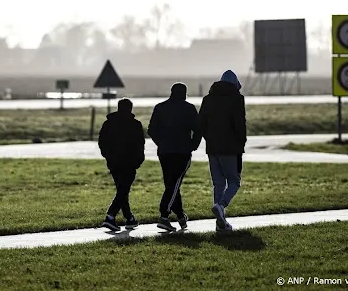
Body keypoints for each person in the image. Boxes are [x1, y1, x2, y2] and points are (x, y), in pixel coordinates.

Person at [147, 82, 201, 232]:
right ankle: (164, 216)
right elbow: (198, 129)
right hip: (182, 152)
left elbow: (151, 130)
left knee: (171, 184)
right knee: (174, 184)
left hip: (164, 152)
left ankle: (181, 217)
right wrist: (192, 145)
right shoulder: (189, 109)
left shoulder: (160, 107)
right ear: (184, 93)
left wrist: (161, 143)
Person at [199, 69, 247, 231]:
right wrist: (241, 142)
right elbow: (240, 124)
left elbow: (201, 124)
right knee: (234, 182)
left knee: (218, 183)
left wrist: (208, 139)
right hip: (231, 147)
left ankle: (220, 222)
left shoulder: (208, 99)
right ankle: (221, 205)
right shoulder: (237, 99)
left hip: (212, 147)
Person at [98, 98, 146, 231]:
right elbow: (140, 144)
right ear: (130, 108)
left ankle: (129, 218)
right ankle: (110, 216)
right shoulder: (135, 124)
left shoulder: (108, 123)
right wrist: (139, 160)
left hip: (113, 162)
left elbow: (102, 141)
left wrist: (107, 156)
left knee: (122, 190)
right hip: (129, 162)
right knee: (123, 190)